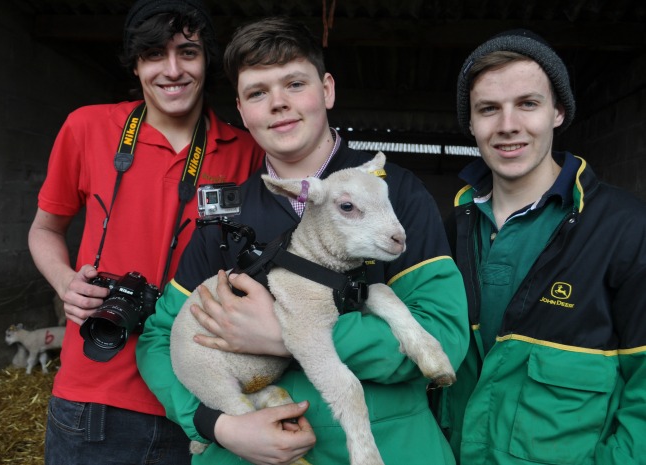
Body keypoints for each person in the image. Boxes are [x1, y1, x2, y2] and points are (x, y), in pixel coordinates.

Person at [137, 16, 469, 465]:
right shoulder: (225, 213)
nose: (278, 104)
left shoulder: (397, 192)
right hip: (243, 453)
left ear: (327, 90)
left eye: (295, 83)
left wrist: (285, 337)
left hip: (386, 447)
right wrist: (217, 424)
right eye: (258, 92)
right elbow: (159, 338)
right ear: (241, 109)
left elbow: (444, 336)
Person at [27, 0, 263, 462]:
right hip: (94, 397)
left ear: (207, 60)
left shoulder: (248, 150)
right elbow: (43, 229)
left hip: (205, 396)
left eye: (188, 52)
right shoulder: (87, 127)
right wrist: (64, 282)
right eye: (155, 54)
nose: (172, 70)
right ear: (135, 64)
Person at [437, 29, 646, 465]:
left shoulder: (624, 229)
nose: (508, 125)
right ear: (471, 123)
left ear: (558, 112)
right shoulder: (448, 230)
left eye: (528, 104)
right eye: (489, 109)